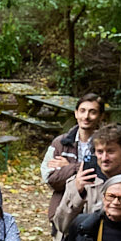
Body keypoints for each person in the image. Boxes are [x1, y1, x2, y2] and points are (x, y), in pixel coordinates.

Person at [41, 92, 104, 228]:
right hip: (63, 212)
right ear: (76, 113)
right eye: (82, 111)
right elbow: (50, 178)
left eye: (92, 112)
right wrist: (78, 169)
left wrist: (68, 167)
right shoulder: (60, 143)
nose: (86, 116)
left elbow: (106, 175)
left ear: (100, 116)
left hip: (97, 213)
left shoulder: (106, 144)